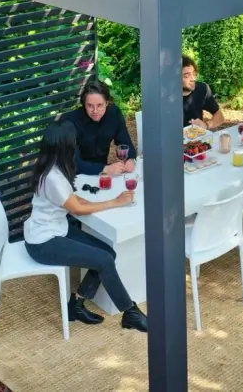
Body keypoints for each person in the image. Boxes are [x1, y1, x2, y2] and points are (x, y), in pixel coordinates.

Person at [22, 119, 148, 331]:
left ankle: (77, 304)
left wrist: (94, 202)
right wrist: (116, 202)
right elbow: (76, 209)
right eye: (74, 140)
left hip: (56, 228)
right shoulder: (53, 176)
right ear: (66, 144)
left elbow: (71, 199)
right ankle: (130, 312)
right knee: (104, 259)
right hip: (43, 242)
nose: (77, 143)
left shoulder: (53, 165)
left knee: (107, 252)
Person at [63, 78, 137, 176]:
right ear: (84, 104)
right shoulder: (71, 121)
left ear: (107, 103)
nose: (95, 111)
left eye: (100, 105)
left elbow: (124, 140)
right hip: (77, 175)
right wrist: (105, 168)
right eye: (89, 105)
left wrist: (130, 159)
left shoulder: (114, 113)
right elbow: (73, 162)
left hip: (103, 172)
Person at [182, 55, 225, 129]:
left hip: (197, 138)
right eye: (187, 76)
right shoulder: (165, 96)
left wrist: (206, 125)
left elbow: (219, 116)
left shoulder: (202, 89)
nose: (193, 79)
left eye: (194, 74)